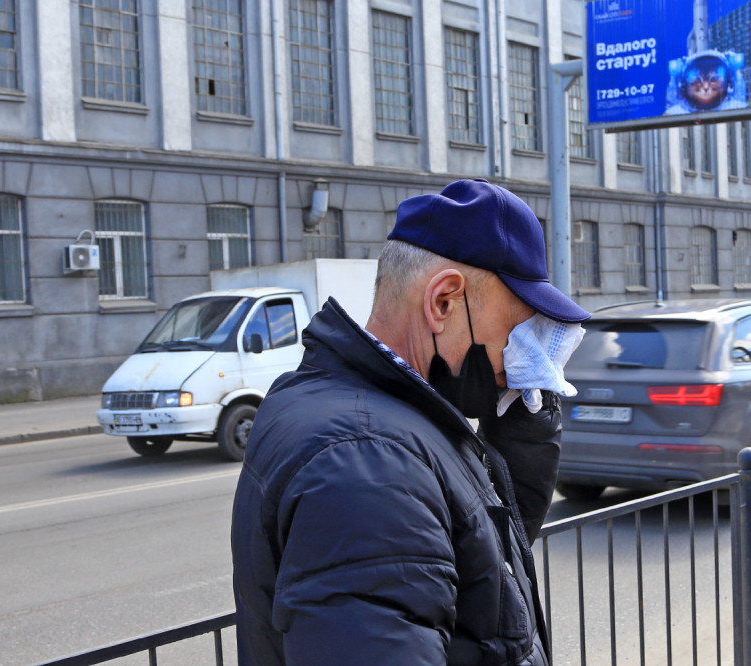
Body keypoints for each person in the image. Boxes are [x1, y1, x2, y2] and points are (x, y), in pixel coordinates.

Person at [231, 178, 590, 665]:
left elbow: (484, 583)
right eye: (516, 333)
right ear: (443, 302)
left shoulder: (388, 416)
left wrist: (521, 429)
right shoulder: (368, 459)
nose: (520, 360)